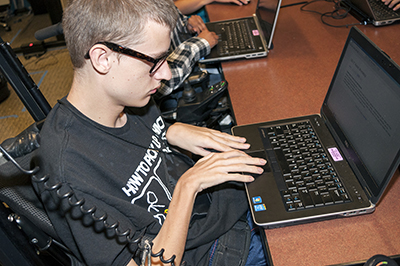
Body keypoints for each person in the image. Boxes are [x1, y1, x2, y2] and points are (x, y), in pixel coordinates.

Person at [32, 0, 267, 266]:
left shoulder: (130, 98)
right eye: (155, 62)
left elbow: (127, 149)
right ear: (103, 59)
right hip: (211, 251)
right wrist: (187, 187)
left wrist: (169, 131)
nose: (165, 73)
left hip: (218, 211)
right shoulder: (68, 171)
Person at [157, 10, 218, 97]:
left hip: (188, 62)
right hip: (177, 88)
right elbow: (163, 82)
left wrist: (186, 26)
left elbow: (171, 32)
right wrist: (198, 44)